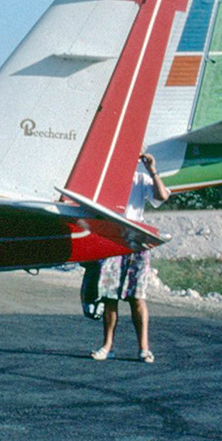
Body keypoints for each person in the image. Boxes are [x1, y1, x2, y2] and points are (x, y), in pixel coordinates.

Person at [92, 152, 171, 363]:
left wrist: (152, 170)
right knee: (110, 296)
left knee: (138, 297)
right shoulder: (106, 177)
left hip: (136, 241)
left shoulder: (140, 178)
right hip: (113, 239)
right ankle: (107, 346)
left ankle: (144, 348)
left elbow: (162, 196)